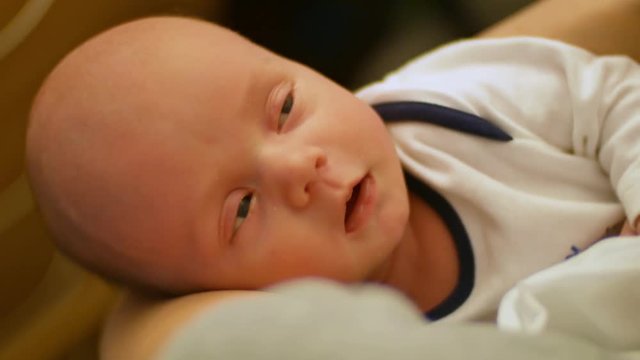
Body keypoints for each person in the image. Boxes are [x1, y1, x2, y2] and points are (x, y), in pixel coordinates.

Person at [26, 12, 640, 323]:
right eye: (241, 207)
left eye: (285, 108)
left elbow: (611, 94)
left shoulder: (449, 105)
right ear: (217, 299)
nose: (300, 167)